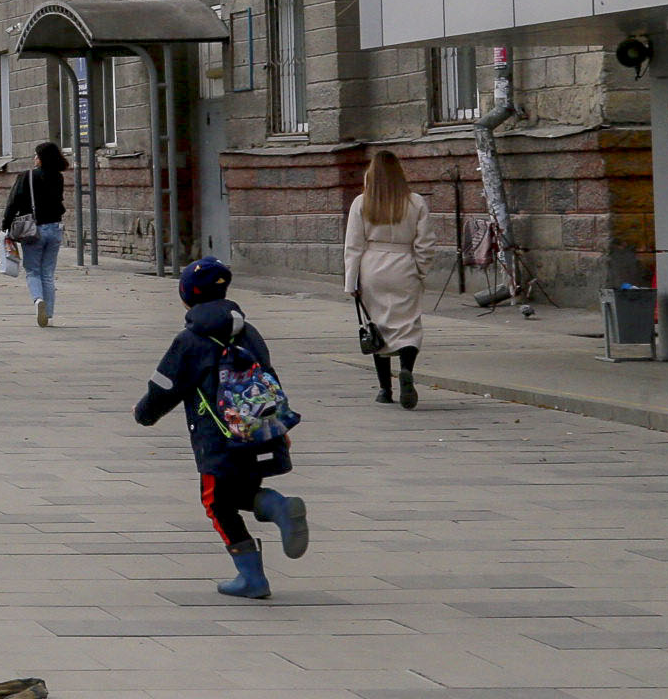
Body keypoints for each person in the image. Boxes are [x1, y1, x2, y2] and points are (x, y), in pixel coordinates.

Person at [132, 257, 309, 599]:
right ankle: (276, 508)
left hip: (219, 439)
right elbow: (269, 377)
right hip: (258, 431)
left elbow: (164, 386)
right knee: (240, 493)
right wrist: (278, 426)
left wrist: (143, 414)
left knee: (215, 502)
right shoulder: (248, 332)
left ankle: (253, 575)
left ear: (186, 296)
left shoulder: (189, 341)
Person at [346, 148, 444, 407]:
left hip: (372, 267)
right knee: (408, 324)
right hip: (404, 265)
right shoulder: (415, 202)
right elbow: (426, 242)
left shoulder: (361, 203)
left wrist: (352, 281)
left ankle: (384, 389)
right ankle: (406, 369)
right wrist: (420, 269)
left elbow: (353, 245)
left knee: (378, 325)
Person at [1, 141, 69, 328]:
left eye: (37, 155)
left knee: (33, 271)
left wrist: (6, 225)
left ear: (42, 158)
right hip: (55, 228)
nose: (34, 158)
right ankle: (49, 315)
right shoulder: (58, 177)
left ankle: (38, 300)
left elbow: (13, 203)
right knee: (47, 273)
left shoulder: (27, 176)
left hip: (33, 230)